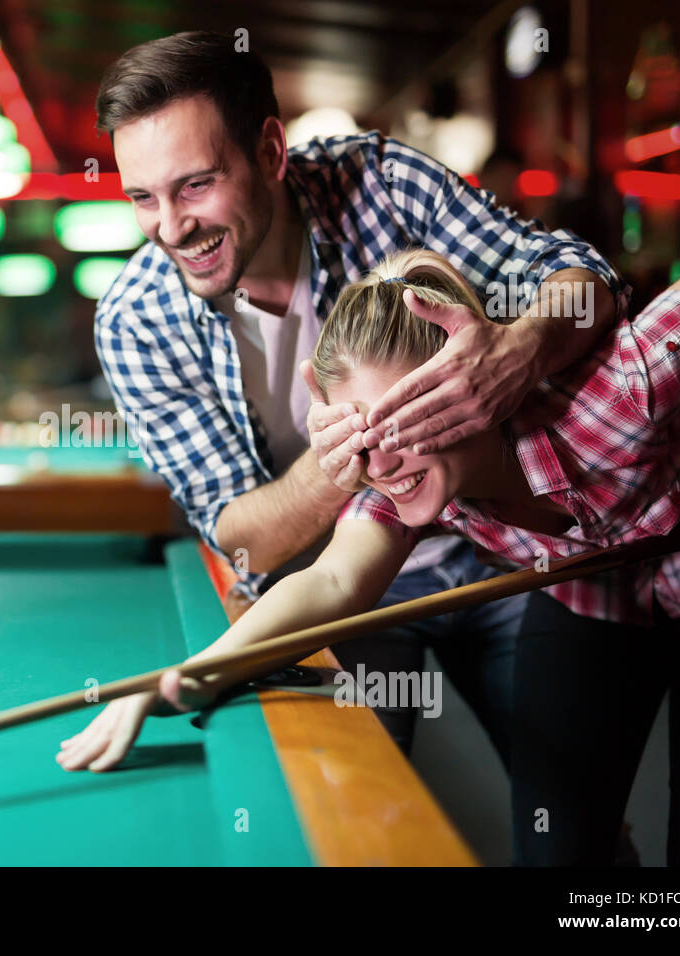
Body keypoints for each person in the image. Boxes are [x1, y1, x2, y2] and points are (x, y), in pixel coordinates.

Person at [68, 31, 627, 776]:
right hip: (339, 585)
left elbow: (582, 277)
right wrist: (340, 468)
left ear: (270, 152)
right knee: (362, 803)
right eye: (144, 197)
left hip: (506, 552)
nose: (171, 227)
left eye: (196, 185)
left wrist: (516, 352)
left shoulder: (384, 184)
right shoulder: (136, 320)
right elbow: (241, 541)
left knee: (573, 809)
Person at [84, 244, 680, 865]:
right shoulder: (398, 482)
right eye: (364, 433)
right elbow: (334, 580)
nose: (383, 459)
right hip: (587, 598)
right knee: (557, 854)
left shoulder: (623, 388)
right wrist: (188, 678)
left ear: (468, 383)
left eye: (407, 421)